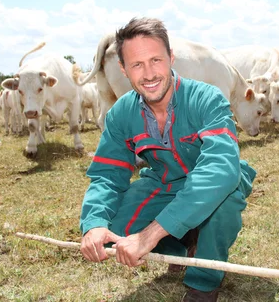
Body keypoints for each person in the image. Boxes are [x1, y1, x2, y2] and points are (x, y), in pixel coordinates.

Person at [79, 17, 256, 302]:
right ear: (123, 69)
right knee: (116, 229)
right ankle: (185, 243)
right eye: (137, 64)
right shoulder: (122, 113)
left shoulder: (206, 98)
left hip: (218, 181)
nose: (149, 74)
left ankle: (204, 283)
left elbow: (220, 169)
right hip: (164, 183)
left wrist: (150, 235)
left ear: (171, 58)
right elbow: (107, 174)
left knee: (225, 200)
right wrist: (95, 222)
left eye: (156, 60)